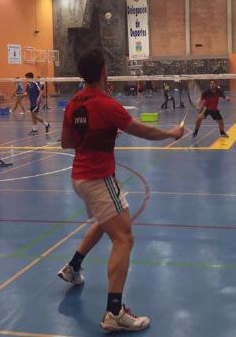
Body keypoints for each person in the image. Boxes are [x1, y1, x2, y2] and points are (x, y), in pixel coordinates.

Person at [58, 49, 183, 333]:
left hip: (79, 177)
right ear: (104, 71)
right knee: (124, 238)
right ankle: (114, 312)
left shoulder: (73, 103)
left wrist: (98, 134)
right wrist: (171, 134)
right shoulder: (107, 104)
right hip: (98, 179)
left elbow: (67, 142)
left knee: (106, 222)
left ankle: (73, 267)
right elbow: (143, 131)